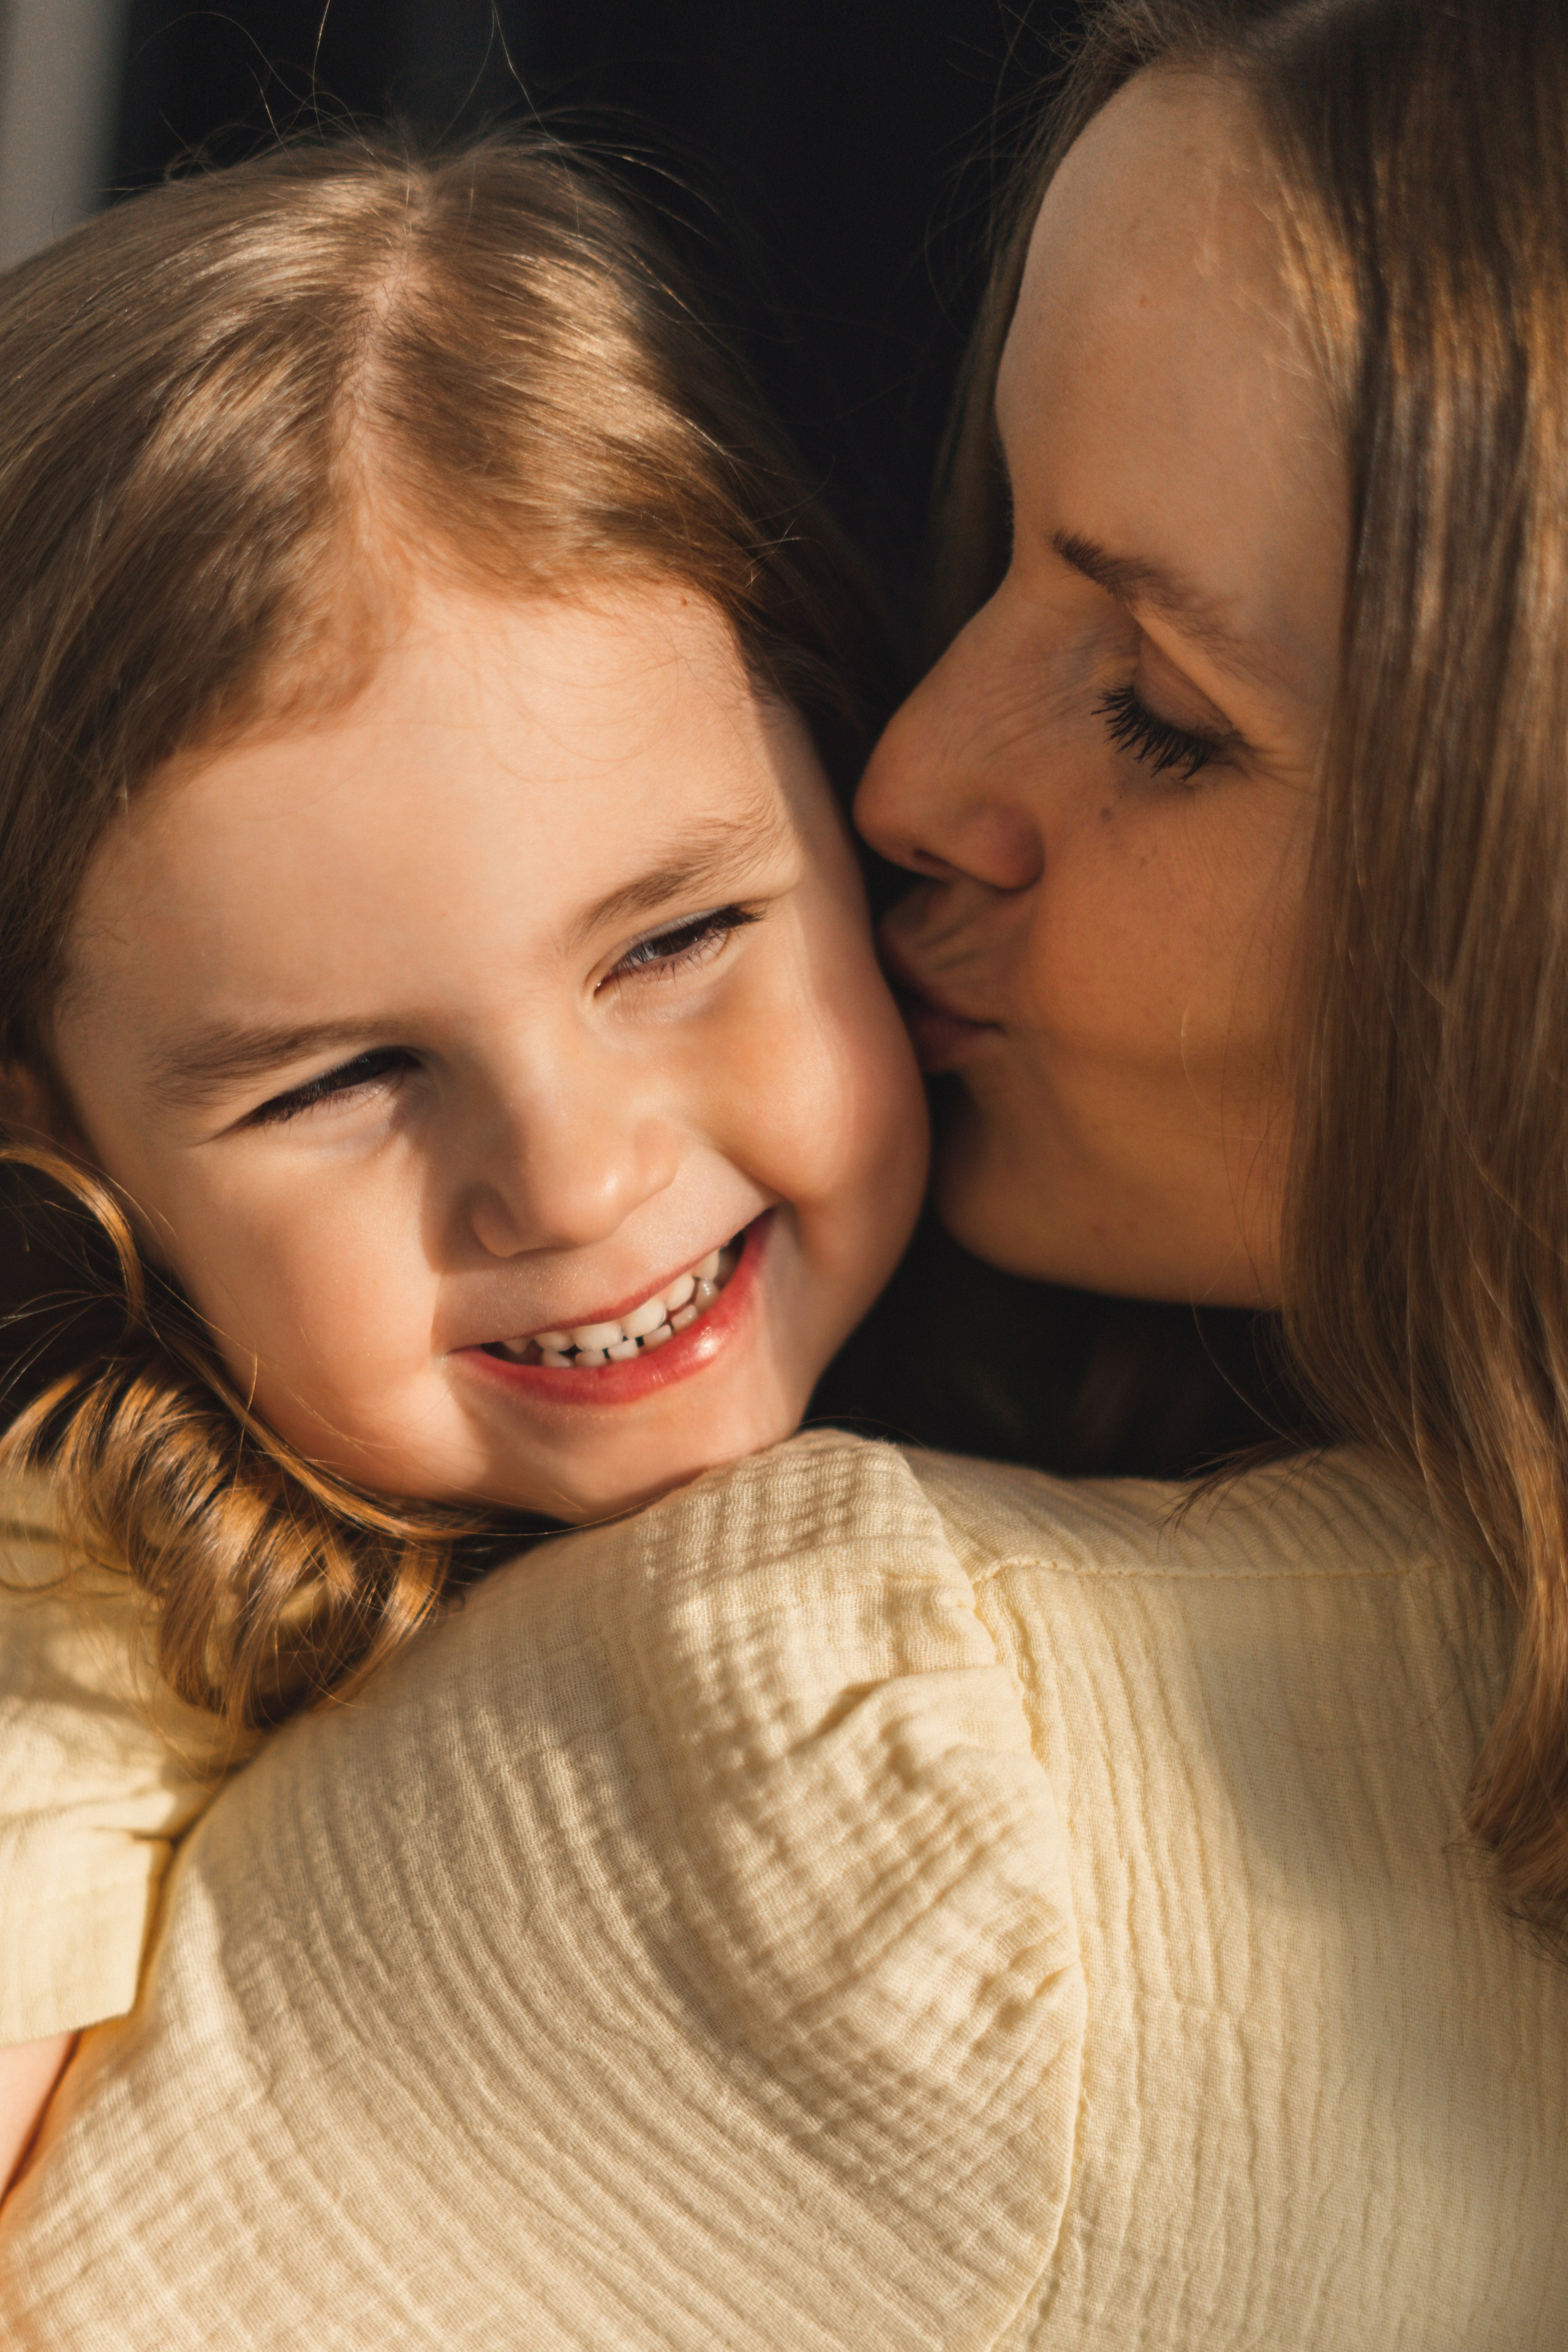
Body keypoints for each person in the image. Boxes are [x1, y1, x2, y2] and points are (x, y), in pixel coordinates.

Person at [7, 1, 1568, 2344]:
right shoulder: (104, 1541)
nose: (574, 1163)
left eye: (1159, 704)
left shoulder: (929, 1736)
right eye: (341, 1077)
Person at [0, 132, 929, 2191]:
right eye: (341, 1078)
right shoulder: (89, 1614)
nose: (579, 1179)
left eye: (676, 942)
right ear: (60, 1135)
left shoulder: (1125, 1329)